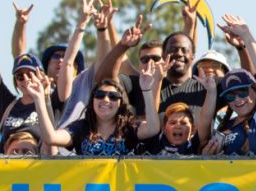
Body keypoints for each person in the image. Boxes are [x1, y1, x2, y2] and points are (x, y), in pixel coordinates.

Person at [195, 15, 256, 156]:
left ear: (255, 90)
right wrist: (207, 156)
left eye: (242, 91)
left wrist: (246, 36)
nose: (237, 99)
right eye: (230, 95)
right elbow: (203, 135)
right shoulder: (227, 124)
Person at [31, 61, 163, 157]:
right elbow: (51, 137)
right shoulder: (81, 128)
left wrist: (146, 89)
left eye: (113, 96)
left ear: (120, 103)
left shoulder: (129, 127)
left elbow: (153, 128)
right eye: (100, 95)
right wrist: (39, 99)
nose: (106, 100)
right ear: (92, 100)